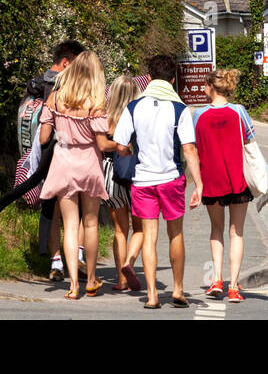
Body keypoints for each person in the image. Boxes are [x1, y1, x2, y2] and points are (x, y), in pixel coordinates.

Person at [114, 55, 202, 309]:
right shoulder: (180, 109)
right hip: (171, 179)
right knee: (175, 234)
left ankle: (152, 295)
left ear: (149, 78)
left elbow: (120, 145)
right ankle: (177, 289)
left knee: (149, 236)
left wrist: (131, 155)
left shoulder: (133, 107)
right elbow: (189, 150)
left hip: (142, 181)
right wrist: (199, 184)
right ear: (173, 79)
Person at [39, 51, 112, 300]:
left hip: (63, 161)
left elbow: (44, 138)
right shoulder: (96, 101)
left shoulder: (56, 98)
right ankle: (91, 279)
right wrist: (121, 147)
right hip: (89, 161)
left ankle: (72, 285)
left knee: (69, 225)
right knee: (90, 222)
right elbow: (102, 144)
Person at [19, 40, 86, 281]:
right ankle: (76, 259)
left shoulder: (36, 84)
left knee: (52, 211)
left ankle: (55, 262)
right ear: (66, 63)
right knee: (75, 212)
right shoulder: (65, 87)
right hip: (69, 157)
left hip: (44, 159)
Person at [193, 69, 256, 302]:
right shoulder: (239, 111)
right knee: (236, 232)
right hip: (237, 178)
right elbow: (249, 139)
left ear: (210, 86)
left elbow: (194, 147)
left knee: (216, 229)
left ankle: (217, 279)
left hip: (211, 179)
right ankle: (234, 287)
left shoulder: (198, 115)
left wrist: (197, 184)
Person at [103, 75, 139, 291]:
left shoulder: (104, 118)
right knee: (142, 229)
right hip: (136, 173)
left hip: (111, 174)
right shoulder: (137, 116)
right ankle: (130, 264)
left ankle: (121, 279)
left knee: (119, 230)